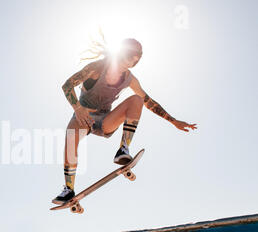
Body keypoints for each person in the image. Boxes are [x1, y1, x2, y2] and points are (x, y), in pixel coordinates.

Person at [52, 37, 197, 204]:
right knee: (71, 139)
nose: (131, 64)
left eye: (135, 61)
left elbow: (149, 102)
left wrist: (173, 121)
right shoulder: (96, 68)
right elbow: (67, 85)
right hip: (83, 116)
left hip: (106, 120)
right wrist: (78, 108)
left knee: (137, 99)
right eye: (130, 58)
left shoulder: (130, 79)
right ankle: (68, 189)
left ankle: (123, 150)